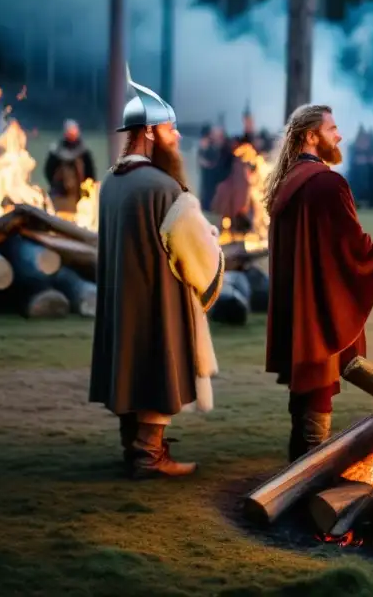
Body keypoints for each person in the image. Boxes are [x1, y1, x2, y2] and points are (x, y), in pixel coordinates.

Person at [89, 76, 225, 479]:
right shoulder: (164, 188)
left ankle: (133, 447)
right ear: (148, 132)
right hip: (156, 298)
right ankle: (149, 455)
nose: (178, 135)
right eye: (170, 128)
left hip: (120, 297)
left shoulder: (110, 183)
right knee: (155, 367)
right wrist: (213, 250)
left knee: (128, 367)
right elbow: (197, 253)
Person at [264, 104, 373, 461]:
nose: (339, 135)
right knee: (317, 375)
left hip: (299, 297)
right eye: (332, 129)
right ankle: (311, 467)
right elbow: (349, 243)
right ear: (311, 136)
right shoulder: (327, 182)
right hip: (318, 301)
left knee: (307, 384)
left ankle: (299, 459)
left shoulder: (289, 181)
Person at [44, 119, 97, 213]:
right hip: (59, 195)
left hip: (79, 196)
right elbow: (48, 171)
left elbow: (90, 173)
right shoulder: (56, 151)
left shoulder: (83, 152)